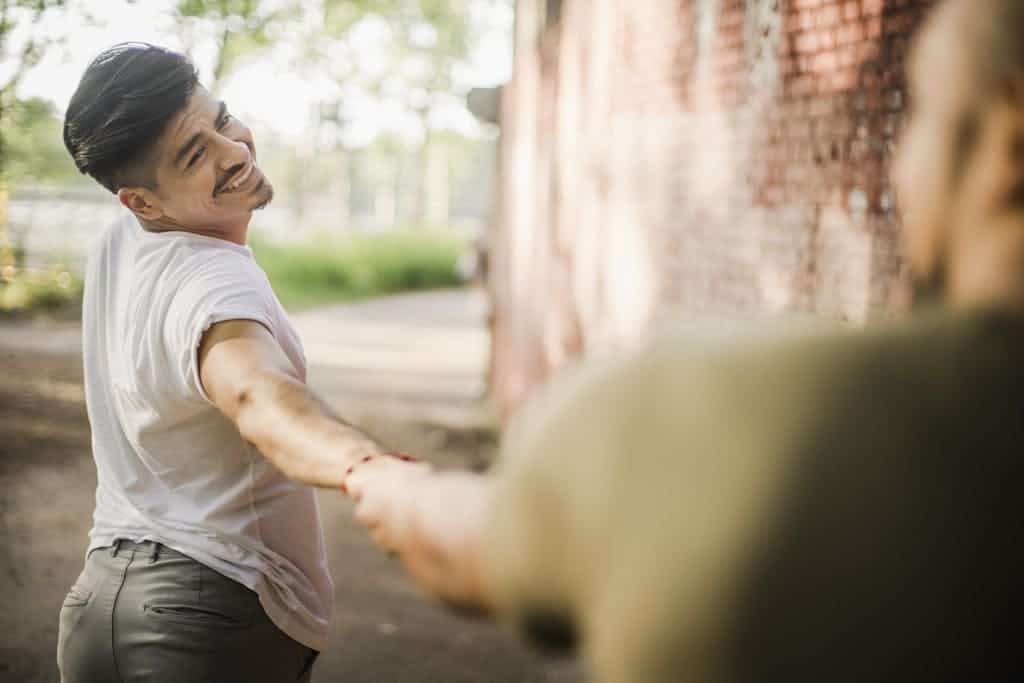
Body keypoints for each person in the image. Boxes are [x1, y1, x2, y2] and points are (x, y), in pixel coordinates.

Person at [347, 0, 1024, 680]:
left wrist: (395, 487)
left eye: (920, 115)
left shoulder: (715, 415)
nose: (904, 164)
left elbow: (460, 544)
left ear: (1009, 139)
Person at [57, 43, 424, 682]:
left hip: (99, 610)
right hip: (207, 623)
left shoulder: (121, 242)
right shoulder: (214, 282)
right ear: (142, 201)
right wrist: (371, 470)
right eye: (196, 154)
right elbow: (257, 394)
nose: (235, 151)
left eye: (221, 120)